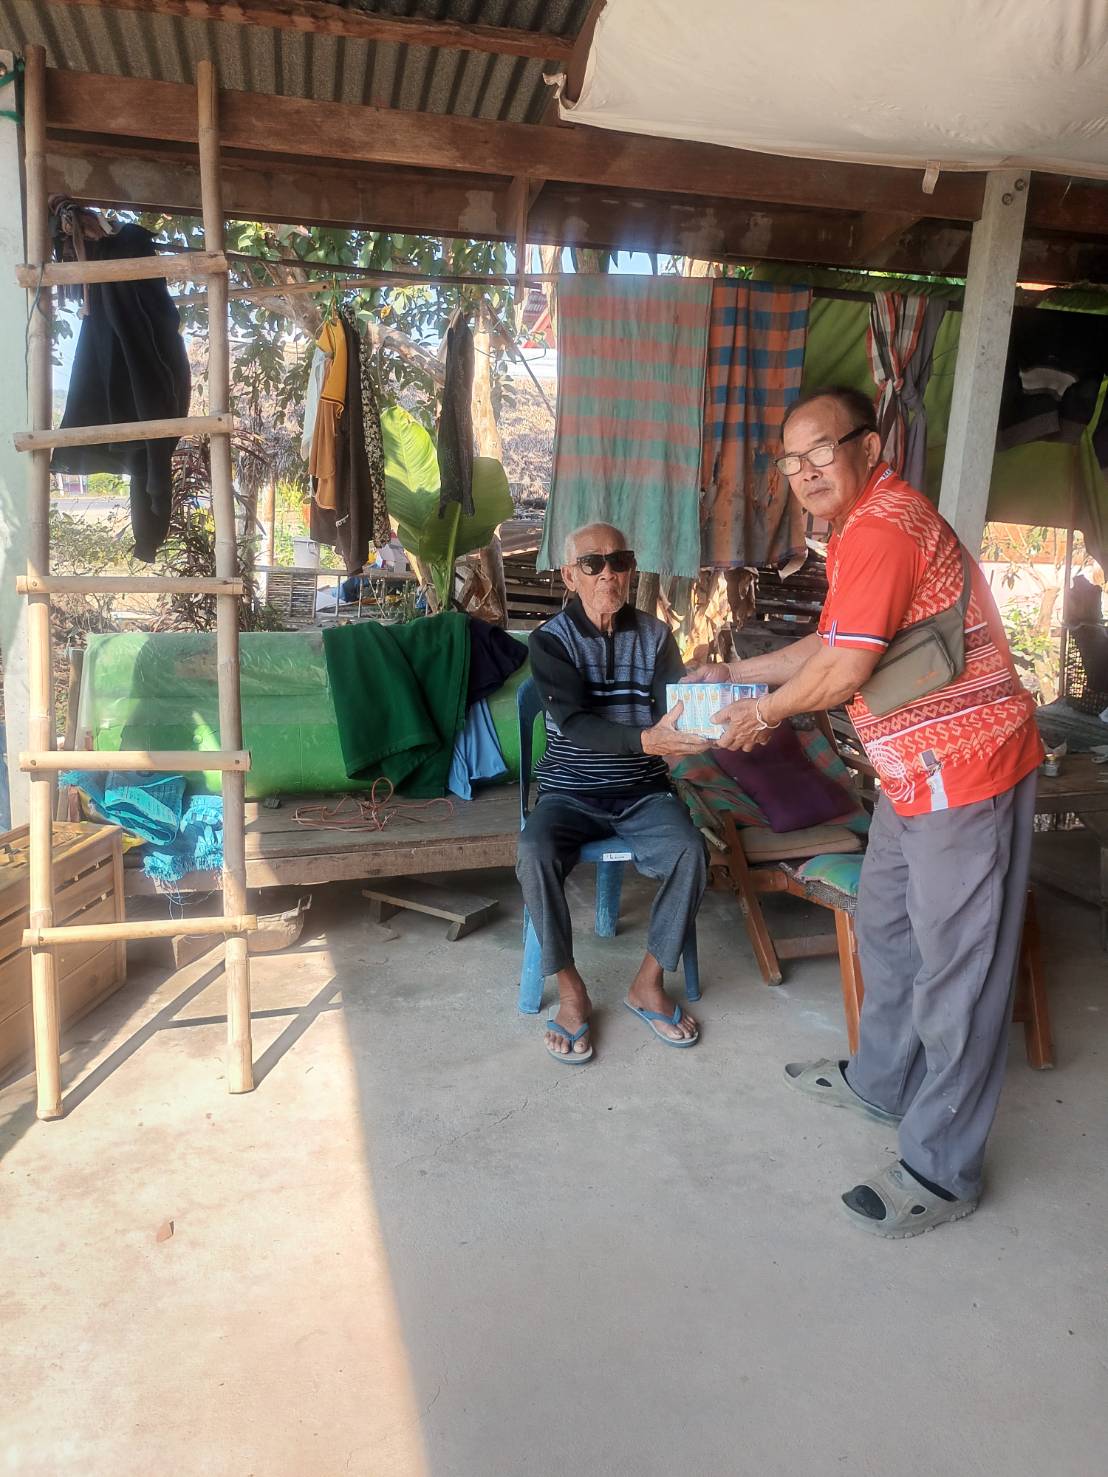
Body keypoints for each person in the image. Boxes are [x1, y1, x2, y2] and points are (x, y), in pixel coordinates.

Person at [698, 386, 1044, 1237]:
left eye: (822, 450)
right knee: (886, 925)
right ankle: (883, 1080)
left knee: (958, 973)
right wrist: (737, 676)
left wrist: (761, 714)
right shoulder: (858, 530)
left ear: (870, 445)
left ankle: (941, 1167)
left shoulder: (886, 527)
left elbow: (846, 672)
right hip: (910, 775)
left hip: (964, 772)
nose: (806, 471)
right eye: (792, 460)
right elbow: (833, 642)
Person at [516, 523, 710, 1063]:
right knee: (533, 851)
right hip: (569, 792)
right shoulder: (550, 641)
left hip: (642, 791)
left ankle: (648, 982)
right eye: (592, 563)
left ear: (631, 570)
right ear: (569, 575)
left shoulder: (656, 636)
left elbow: (673, 711)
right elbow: (576, 723)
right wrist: (647, 739)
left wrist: (720, 721)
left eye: (618, 561)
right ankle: (571, 991)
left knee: (691, 851)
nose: (608, 574)